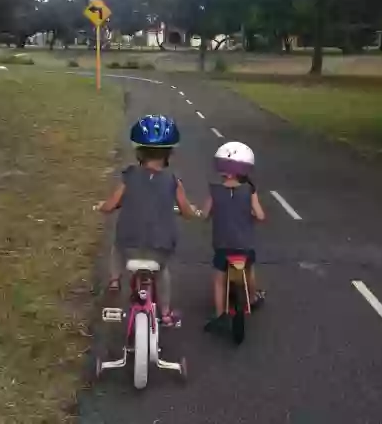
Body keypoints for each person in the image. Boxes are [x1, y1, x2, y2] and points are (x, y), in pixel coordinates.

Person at [95, 114, 197, 327]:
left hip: (129, 245)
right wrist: (193, 212)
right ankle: (166, 313)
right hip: (160, 247)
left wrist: (101, 207)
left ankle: (114, 279)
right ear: (169, 153)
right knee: (162, 273)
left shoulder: (129, 175)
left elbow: (111, 205)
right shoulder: (173, 181)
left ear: (138, 151)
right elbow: (187, 211)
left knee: (116, 246)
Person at [200, 141, 266, 332]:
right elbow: (260, 215)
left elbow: (204, 215)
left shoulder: (214, 190)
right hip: (244, 246)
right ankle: (252, 298)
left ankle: (220, 314)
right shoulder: (249, 190)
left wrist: (207, 213)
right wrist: (252, 215)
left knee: (219, 280)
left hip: (222, 246)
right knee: (249, 270)